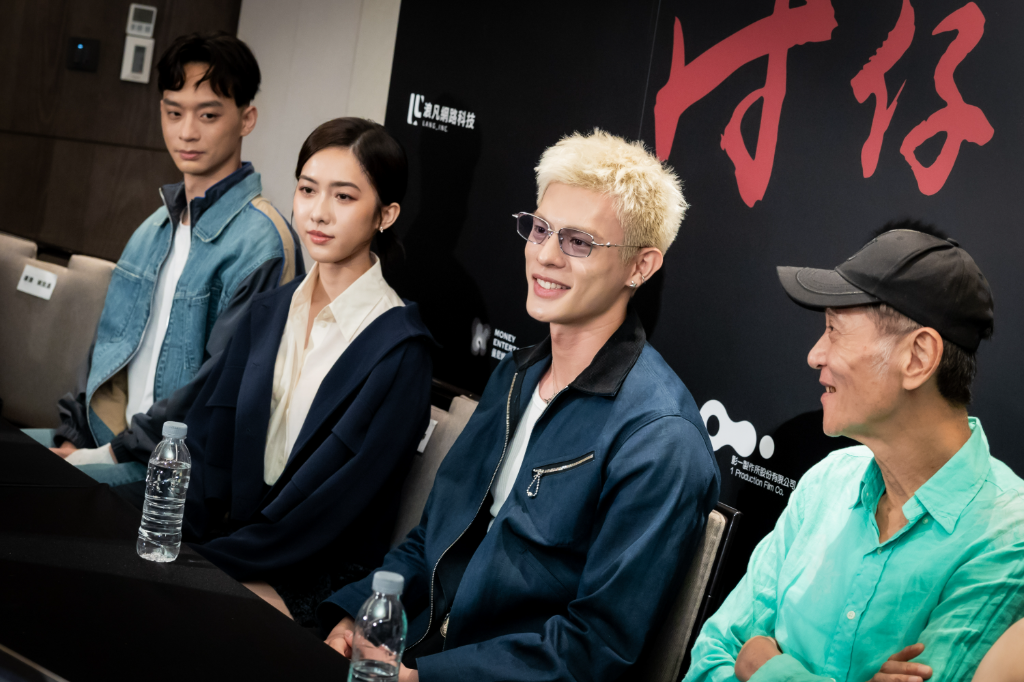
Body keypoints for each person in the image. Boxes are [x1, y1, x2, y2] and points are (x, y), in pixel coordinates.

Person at [320, 129, 721, 682]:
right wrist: (360, 615)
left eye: (578, 242)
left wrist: (427, 679)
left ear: (640, 267)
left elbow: (595, 648)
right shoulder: (515, 375)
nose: (545, 256)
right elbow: (432, 538)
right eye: (540, 229)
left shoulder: (660, 439)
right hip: (411, 652)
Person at [685, 223, 1024, 682]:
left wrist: (765, 665)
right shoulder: (828, 480)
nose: (815, 354)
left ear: (918, 357)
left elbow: (743, 655)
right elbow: (712, 655)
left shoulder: (1007, 539)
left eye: (834, 330)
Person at [180, 118, 434, 626]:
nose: (318, 212)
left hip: (319, 570)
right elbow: (207, 441)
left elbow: (337, 507)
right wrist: (180, 540)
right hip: (232, 544)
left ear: (386, 215)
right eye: (307, 189)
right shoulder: (269, 311)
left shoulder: (402, 350)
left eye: (344, 197)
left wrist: (207, 561)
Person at [38, 32, 302, 486]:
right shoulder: (153, 228)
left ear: (247, 118)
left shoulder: (264, 244)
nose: (187, 132)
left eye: (208, 115)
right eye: (174, 112)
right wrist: (74, 437)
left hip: (174, 474)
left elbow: (218, 391)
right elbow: (106, 348)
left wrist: (108, 455)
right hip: (109, 445)